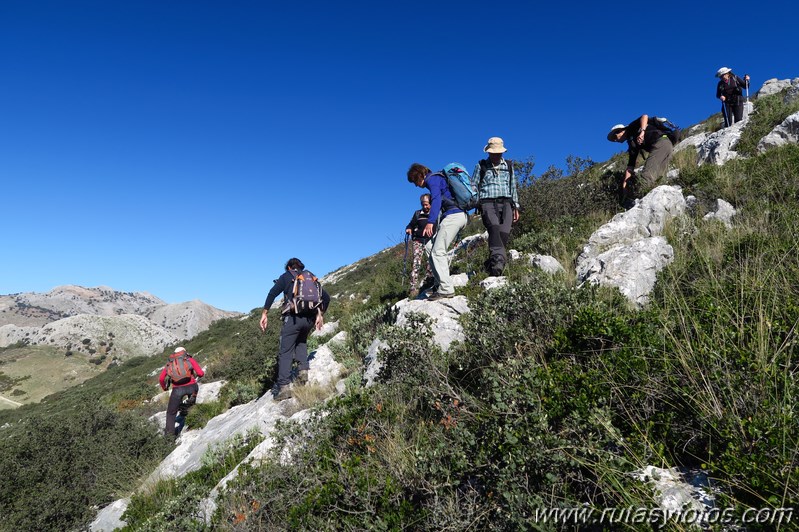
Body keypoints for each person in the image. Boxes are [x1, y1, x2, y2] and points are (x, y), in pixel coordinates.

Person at [260, 258, 330, 400]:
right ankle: (303, 371)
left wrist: (264, 313)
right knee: (301, 341)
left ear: (289, 267)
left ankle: (284, 387)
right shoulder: (310, 277)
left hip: (293, 318)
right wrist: (320, 315)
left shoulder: (286, 276)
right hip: (309, 319)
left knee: (285, 351)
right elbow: (326, 297)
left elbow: (272, 293)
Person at [406, 163, 468, 300]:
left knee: (438, 251)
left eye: (415, 181)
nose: (416, 185)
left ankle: (446, 289)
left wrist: (430, 222)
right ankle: (438, 283)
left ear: (420, 175)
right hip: (452, 216)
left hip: (454, 216)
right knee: (429, 247)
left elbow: (436, 200)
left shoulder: (432, 180)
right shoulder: (436, 179)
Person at [472, 137, 520, 276]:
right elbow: (474, 186)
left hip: (506, 203)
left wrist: (516, 206)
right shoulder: (481, 166)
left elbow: (513, 187)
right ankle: (498, 263)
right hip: (487, 202)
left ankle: (490, 263)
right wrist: (476, 202)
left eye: (498, 153)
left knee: (504, 233)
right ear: (488, 152)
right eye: (493, 153)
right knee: (493, 228)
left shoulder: (509, 166)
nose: (496, 155)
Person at [607, 115, 674, 202]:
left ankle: (643, 201)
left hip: (661, 143)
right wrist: (625, 184)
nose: (615, 140)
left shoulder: (631, 128)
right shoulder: (632, 145)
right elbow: (630, 166)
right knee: (660, 178)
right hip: (666, 145)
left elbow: (644, 116)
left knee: (646, 176)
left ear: (620, 131)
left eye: (615, 137)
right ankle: (663, 202)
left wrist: (642, 132)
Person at [159, 347, 204, 438]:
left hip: (177, 390)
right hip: (192, 387)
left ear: (174, 354)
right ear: (184, 352)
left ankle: (169, 438)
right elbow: (200, 373)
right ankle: (194, 421)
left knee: (171, 413)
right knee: (192, 405)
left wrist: (164, 388)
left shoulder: (170, 363)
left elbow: (161, 378)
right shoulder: (188, 359)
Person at [404, 193, 433, 297]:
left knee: (431, 262)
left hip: (431, 240)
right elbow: (411, 224)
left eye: (427, 204)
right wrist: (408, 228)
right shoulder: (417, 214)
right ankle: (413, 288)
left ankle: (429, 282)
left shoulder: (435, 213)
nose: (425, 207)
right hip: (418, 241)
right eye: (423, 204)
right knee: (416, 263)